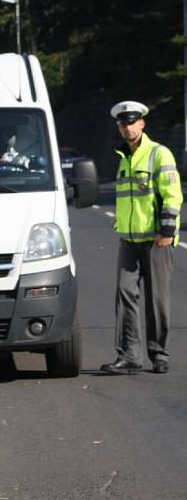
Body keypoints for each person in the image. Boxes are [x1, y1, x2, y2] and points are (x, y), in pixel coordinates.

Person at [100, 101, 183, 374]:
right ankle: (129, 356)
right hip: (129, 241)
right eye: (123, 124)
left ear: (142, 123)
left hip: (156, 239)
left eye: (132, 122)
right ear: (118, 127)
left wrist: (167, 231)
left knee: (156, 299)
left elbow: (172, 195)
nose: (128, 128)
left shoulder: (159, 154)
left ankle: (159, 354)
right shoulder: (123, 159)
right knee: (125, 297)